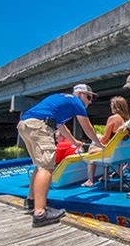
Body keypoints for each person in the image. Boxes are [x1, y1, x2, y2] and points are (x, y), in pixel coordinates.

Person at [17, 84, 104, 227]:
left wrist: (74, 142)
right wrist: (98, 144)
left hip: (25, 125)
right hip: (40, 125)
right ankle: (40, 214)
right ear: (81, 94)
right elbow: (87, 127)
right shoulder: (76, 102)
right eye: (89, 97)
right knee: (46, 167)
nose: (90, 101)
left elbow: (61, 127)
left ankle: (31, 202)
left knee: (40, 166)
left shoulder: (62, 99)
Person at [82, 96, 130, 187]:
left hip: (113, 152)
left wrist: (97, 139)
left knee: (91, 150)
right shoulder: (126, 120)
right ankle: (105, 176)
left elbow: (105, 138)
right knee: (104, 146)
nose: (111, 107)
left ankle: (90, 180)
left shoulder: (113, 118)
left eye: (112, 105)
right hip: (122, 154)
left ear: (115, 106)